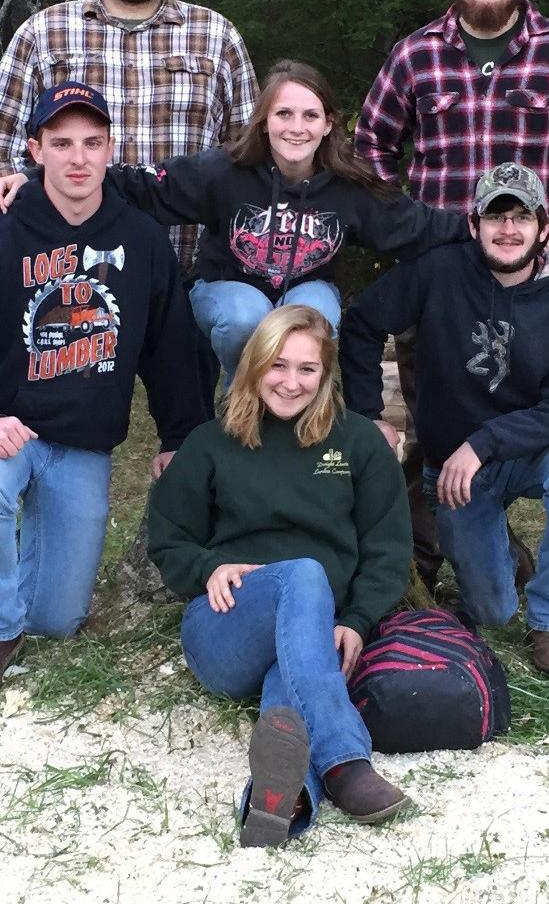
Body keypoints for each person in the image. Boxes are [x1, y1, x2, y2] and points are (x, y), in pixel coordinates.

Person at [353, 0, 549, 614]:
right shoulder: (416, 56)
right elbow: (371, 148)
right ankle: (450, 544)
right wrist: (405, 230)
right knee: (438, 415)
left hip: (533, 274)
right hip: (444, 278)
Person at [0, 82, 208, 702]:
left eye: (92, 143)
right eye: (61, 143)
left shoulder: (142, 241)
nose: (78, 158)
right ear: (35, 150)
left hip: (80, 444)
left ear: (110, 150)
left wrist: (181, 438)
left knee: (56, 620)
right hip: (1, 430)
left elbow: (171, 349)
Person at [0, 59, 469, 388]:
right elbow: (138, 185)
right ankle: (240, 406)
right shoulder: (223, 171)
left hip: (306, 289)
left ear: (328, 124)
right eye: (283, 113)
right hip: (225, 290)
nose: (295, 127)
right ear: (263, 121)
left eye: (309, 115)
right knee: (249, 317)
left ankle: (301, 415)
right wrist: (35, 177)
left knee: (314, 321)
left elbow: (415, 224)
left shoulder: (347, 188)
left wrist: (483, 230)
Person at [148, 305, 413, 846]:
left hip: (318, 632)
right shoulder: (211, 442)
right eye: (278, 365)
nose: (291, 383)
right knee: (303, 574)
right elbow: (168, 538)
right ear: (254, 365)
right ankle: (344, 761)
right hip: (224, 627)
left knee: (292, 670)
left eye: (307, 369)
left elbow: (388, 549)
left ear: (326, 374)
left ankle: (283, 799)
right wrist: (207, 567)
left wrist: (359, 620)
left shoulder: (359, 443)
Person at [339, 163, 549, 679]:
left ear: (544, 227)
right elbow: (362, 324)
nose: (508, 230)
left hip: (528, 454)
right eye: (495, 216)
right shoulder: (437, 272)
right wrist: (367, 415)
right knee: (491, 612)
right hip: (457, 474)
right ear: (472, 224)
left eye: (521, 217)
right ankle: (506, 560)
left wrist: (484, 442)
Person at [0, 0, 257, 279]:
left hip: (191, 275)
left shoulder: (217, 36)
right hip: (68, 276)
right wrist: (42, 227)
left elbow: (249, 156)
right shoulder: (45, 33)